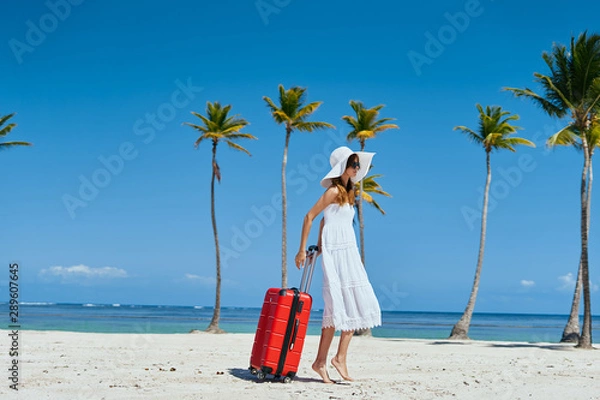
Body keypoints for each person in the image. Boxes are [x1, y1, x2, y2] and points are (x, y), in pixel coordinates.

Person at [294, 146, 382, 383]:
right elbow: (310, 217)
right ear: (343, 166)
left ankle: (336, 359)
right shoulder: (333, 191)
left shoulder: (349, 194)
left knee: (353, 306)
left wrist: (320, 244)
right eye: (353, 164)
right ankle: (322, 362)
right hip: (336, 253)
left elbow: (326, 221)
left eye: (357, 165)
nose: (356, 168)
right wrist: (304, 249)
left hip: (348, 251)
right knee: (337, 308)